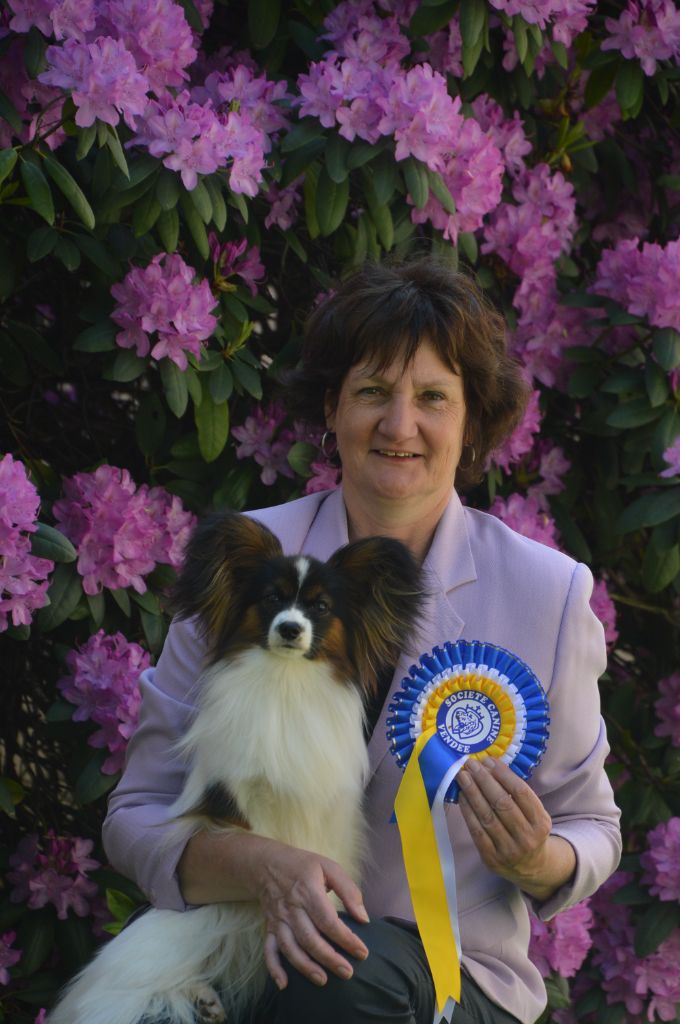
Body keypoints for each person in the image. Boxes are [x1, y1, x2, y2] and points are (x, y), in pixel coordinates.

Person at [102, 258, 622, 1024]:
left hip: (449, 980)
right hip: (243, 949)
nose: (399, 425)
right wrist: (263, 867)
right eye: (373, 392)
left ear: (472, 423)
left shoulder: (549, 591)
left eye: (433, 398)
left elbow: (595, 826)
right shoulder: (248, 561)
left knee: (341, 978)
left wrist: (537, 858)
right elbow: (134, 815)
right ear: (332, 409)